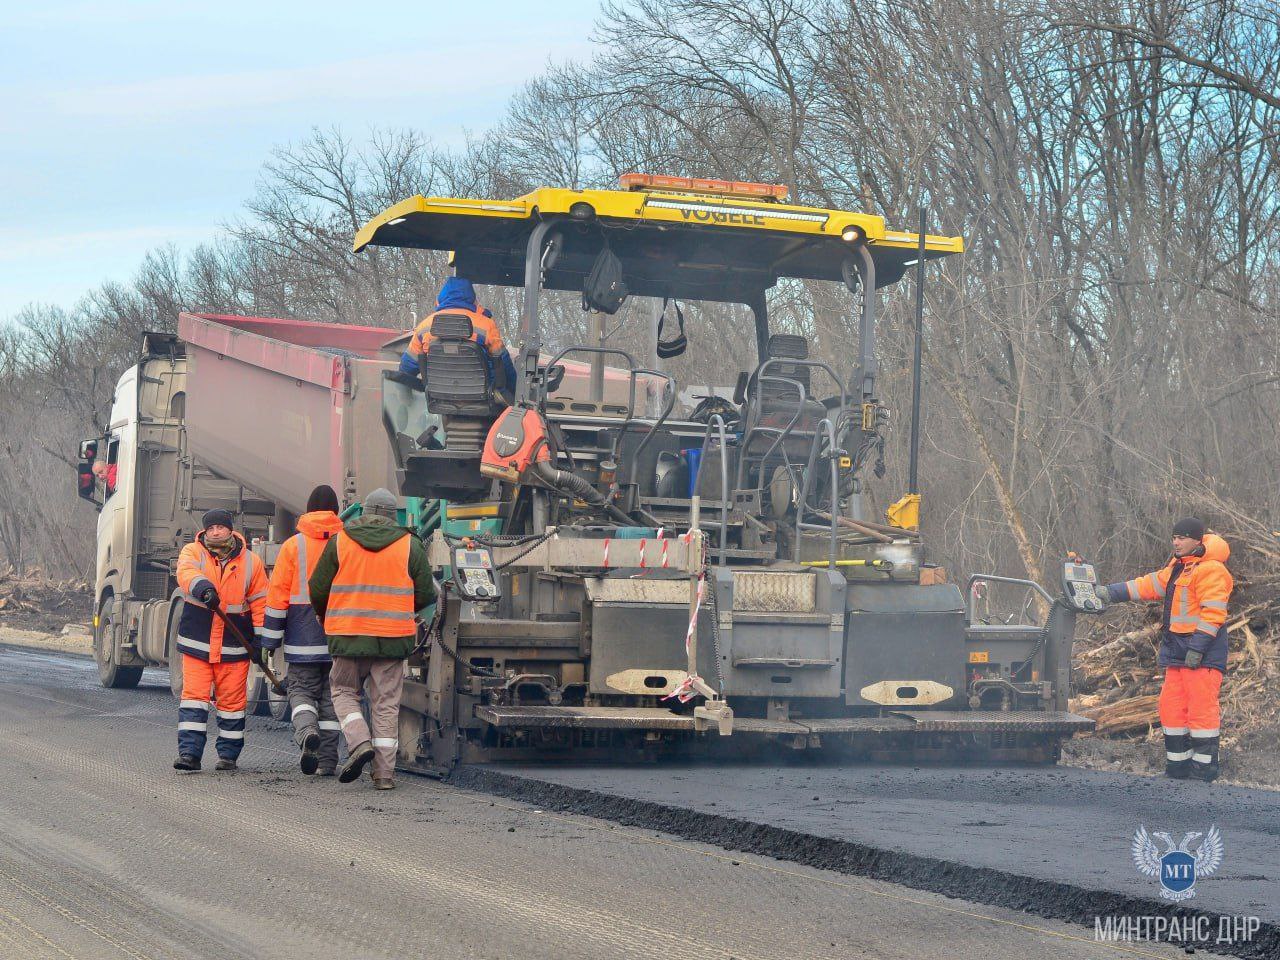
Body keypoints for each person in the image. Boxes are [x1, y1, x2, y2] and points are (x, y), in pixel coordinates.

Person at [309, 488, 435, 790]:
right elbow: (427, 593)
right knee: (386, 704)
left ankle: (359, 742)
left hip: (348, 633)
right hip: (393, 638)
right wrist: (405, 609)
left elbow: (317, 587)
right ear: (393, 516)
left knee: (342, 692)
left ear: (364, 512)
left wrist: (324, 613)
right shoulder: (410, 545)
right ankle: (384, 775)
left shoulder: (341, 541)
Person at [1096, 518, 1232, 781]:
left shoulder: (1211, 570)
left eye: (1182, 538)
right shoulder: (1177, 568)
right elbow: (1147, 585)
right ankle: (1177, 769)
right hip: (1178, 652)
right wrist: (1110, 593)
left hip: (1200, 653)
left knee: (1201, 710)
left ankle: (1204, 771)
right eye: (1174, 537)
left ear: (1197, 541)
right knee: (1171, 707)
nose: (1176, 542)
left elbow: (1213, 612)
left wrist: (1198, 648)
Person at [174, 509, 268, 772]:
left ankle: (228, 756)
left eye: (221, 527)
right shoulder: (193, 552)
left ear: (230, 530)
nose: (216, 532)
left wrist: (261, 639)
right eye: (211, 527)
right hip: (198, 643)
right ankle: (189, 755)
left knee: (232, 705)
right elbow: (186, 573)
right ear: (205, 531)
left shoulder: (251, 562)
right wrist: (204, 588)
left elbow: (260, 601)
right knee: (194, 699)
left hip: (235, 645)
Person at [259, 485, 345, 776]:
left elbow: (277, 596)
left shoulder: (293, 546)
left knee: (300, 692)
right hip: (338, 638)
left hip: (302, 637)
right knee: (332, 699)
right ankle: (328, 762)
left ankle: (307, 732)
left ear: (307, 510)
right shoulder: (347, 543)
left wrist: (269, 640)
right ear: (336, 510)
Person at [396, 277, 517, 395]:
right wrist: (513, 393)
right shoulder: (486, 325)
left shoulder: (424, 327)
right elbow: (504, 365)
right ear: (471, 298)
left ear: (441, 298)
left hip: (438, 400)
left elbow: (406, 369)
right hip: (482, 400)